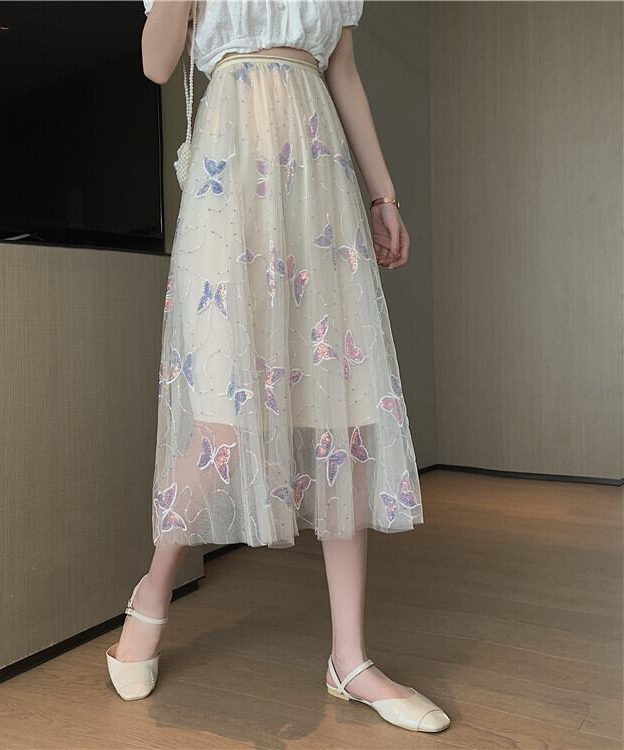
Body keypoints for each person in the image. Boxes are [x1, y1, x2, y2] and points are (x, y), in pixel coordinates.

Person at [106, 0, 450, 734]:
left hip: (317, 179)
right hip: (229, 177)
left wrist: (383, 194)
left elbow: (343, 73)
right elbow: (156, 63)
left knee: (340, 410)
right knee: (223, 418)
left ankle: (350, 658)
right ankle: (154, 590)